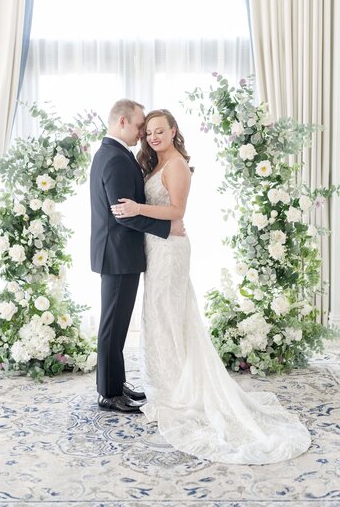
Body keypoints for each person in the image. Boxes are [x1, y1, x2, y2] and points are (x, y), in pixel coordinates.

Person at [110, 109, 311, 465]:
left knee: (170, 316)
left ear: (173, 131)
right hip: (155, 248)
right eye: (149, 133)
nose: (153, 137)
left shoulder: (176, 166)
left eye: (160, 131)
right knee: (158, 316)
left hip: (171, 250)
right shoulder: (155, 163)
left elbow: (177, 211)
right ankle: (167, 387)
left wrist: (138, 206)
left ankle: (179, 393)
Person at [90, 99, 185, 414]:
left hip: (121, 253)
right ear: (122, 122)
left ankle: (114, 384)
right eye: (140, 125)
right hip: (118, 255)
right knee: (112, 326)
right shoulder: (115, 158)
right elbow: (123, 214)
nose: (143, 132)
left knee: (116, 325)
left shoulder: (114, 154)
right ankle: (108, 393)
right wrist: (166, 227)